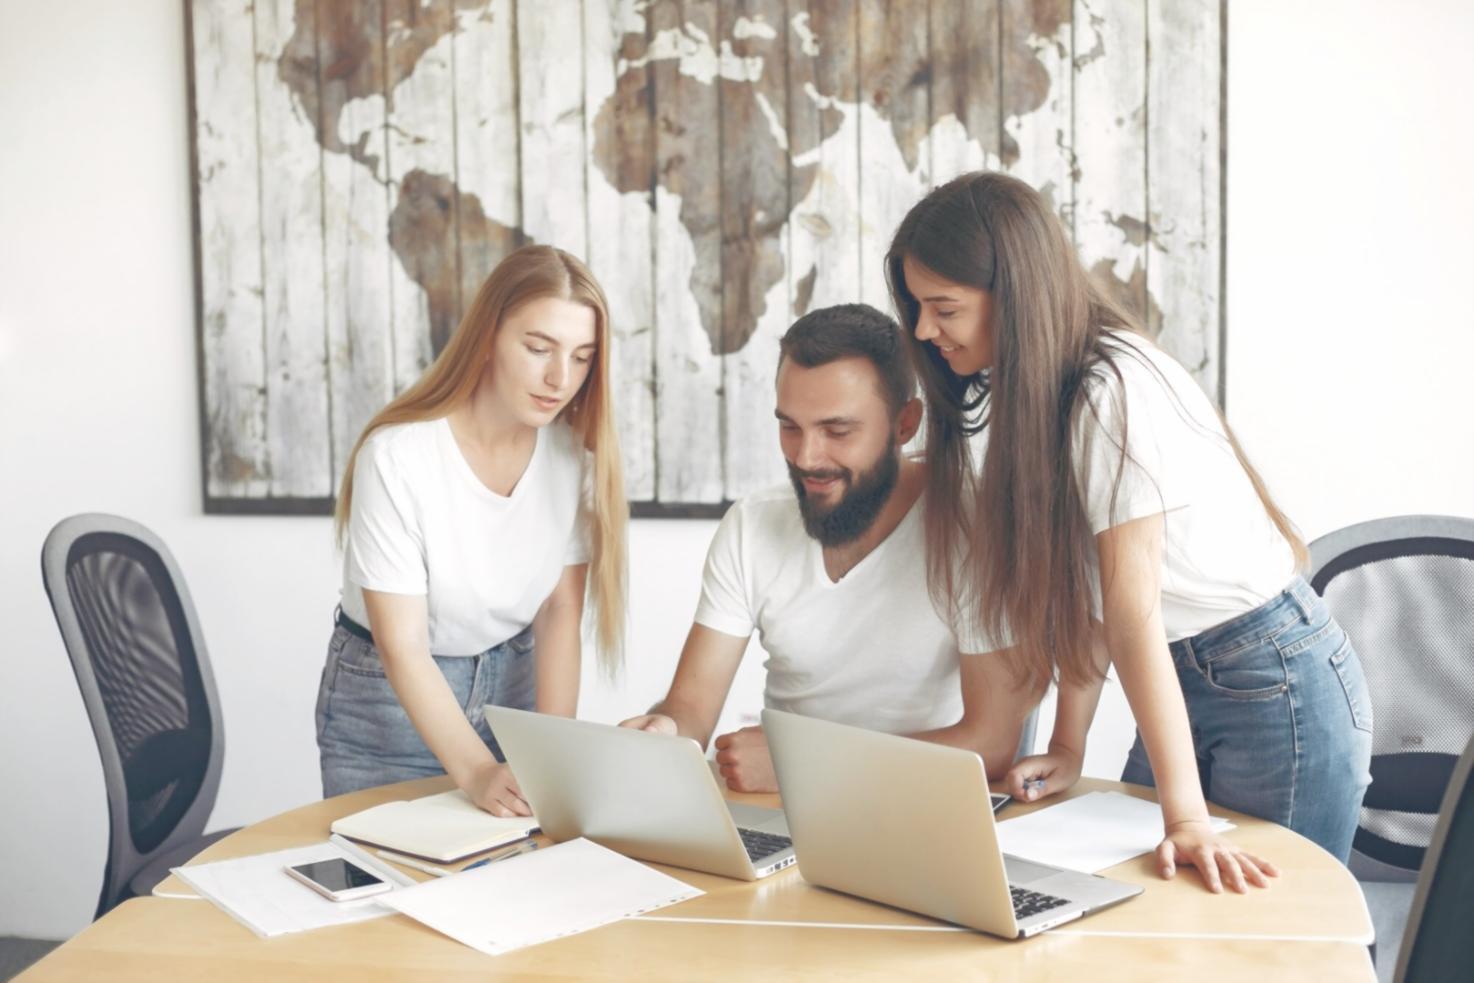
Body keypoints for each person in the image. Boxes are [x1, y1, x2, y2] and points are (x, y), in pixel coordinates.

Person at [886, 171, 1372, 893]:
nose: (925, 331)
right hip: (1191, 671)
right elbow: (1086, 591)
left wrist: (1185, 815)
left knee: (1272, 939)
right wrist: (1068, 742)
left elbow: (1132, 606)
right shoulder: (1045, 392)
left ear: (1013, 295)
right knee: (1166, 915)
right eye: (919, 308)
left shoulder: (1112, 388)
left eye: (943, 307)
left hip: (1272, 678)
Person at [621, 303, 1028, 790]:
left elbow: (992, 742)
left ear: (905, 424)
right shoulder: (751, 526)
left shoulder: (971, 526)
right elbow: (691, 709)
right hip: (783, 816)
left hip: (921, 804)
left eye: (837, 431)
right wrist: (667, 729)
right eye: (790, 426)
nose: (807, 457)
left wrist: (805, 765)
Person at [316, 244, 627, 817]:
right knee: (390, 891)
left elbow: (560, 611)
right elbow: (402, 644)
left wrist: (552, 757)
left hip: (515, 687)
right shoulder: (397, 457)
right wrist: (478, 771)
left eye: (582, 357)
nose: (560, 378)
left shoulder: (573, 461)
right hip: (389, 702)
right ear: (487, 338)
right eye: (538, 349)